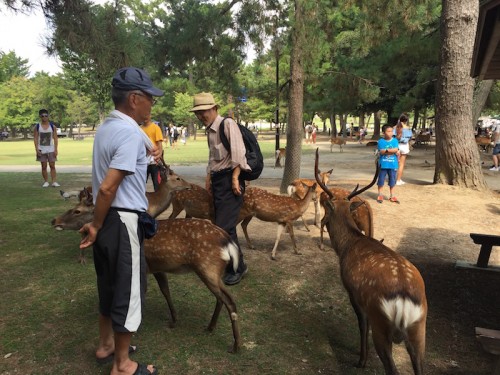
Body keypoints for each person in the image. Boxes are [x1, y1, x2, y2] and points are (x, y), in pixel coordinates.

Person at [79, 67, 163, 375]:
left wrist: (98, 225)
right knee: (128, 292)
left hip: (107, 222)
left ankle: (106, 345)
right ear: (134, 98)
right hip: (120, 219)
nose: (152, 105)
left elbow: (140, 143)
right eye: (149, 99)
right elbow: (108, 187)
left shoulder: (109, 127)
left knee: (108, 286)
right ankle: (123, 365)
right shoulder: (128, 133)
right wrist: (97, 224)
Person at [190, 92, 249, 285]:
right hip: (218, 181)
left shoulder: (227, 125)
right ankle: (234, 264)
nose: (201, 115)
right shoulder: (210, 130)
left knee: (224, 227)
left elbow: (239, 152)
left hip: (230, 181)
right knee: (224, 226)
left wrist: (235, 177)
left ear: (215, 108)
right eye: (198, 112)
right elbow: (212, 158)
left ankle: (238, 268)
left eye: (204, 111)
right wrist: (209, 177)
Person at [34, 109, 60, 187]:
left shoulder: (52, 126)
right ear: (40, 117)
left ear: (48, 116)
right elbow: (35, 138)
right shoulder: (37, 126)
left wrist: (56, 149)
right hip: (41, 149)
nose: (44, 117)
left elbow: (55, 138)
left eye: (46, 115)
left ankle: (54, 182)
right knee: (44, 166)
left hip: (51, 149)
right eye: (42, 116)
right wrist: (36, 149)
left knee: (52, 165)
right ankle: (46, 181)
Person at [377, 124, 400, 204]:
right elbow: (381, 151)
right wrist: (391, 150)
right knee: (381, 180)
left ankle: (392, 195)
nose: (390, 133)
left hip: (393, 164)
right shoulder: (380, 141)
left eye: (391, 131)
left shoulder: (395, 141)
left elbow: (396, 149)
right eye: (388, 131)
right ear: (384, 132)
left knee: (392, 180)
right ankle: (380, 194)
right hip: (383, 164)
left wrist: (387, 150)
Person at [141, 115, 164, 191]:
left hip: (154, 160)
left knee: (157, 183)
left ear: (150, 116)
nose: (145, 118)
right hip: (144, 160)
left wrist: (159, 157)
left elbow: (159, 144)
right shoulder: (139, 129)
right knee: (141, 183)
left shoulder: (155, 128)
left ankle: (158, 201)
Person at [394, 113, 413, 185]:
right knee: (401, 164)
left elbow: (392, 137)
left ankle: (393, 178)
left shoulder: (395, 127)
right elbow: (410, 137)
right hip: (404, 146)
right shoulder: (407, 128)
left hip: (396, 145)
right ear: (406, 120)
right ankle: (398, 180)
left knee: (394, 163)